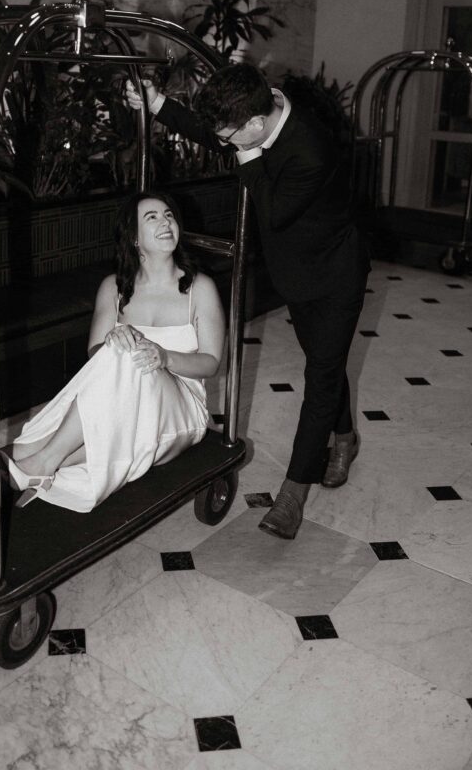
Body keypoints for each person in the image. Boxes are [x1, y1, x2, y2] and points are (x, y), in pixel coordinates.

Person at [0, 191, 226, 534]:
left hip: (179, 412)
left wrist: (162, 357)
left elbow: (210, 363)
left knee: (115, 367)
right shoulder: (114, 288)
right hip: (124, 399)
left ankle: (43, 462)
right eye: (152, 217)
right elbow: (96, 357)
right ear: (133, 237)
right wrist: (118, 342)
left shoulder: (199, 288)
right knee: (30, 446)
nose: (166, 223)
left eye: (169, 216)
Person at [125, 63, 369, 540]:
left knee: (320, 373)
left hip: (336, 272)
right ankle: (345, 436)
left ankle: (293, 493)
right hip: (294, 272)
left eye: (235, 136)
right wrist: (156, 104)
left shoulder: (311, 147)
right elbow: (212, 131)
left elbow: (273, 212)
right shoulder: (252, 111)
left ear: (257, 125)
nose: (226, 143)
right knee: (326, 357)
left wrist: (249, 156)